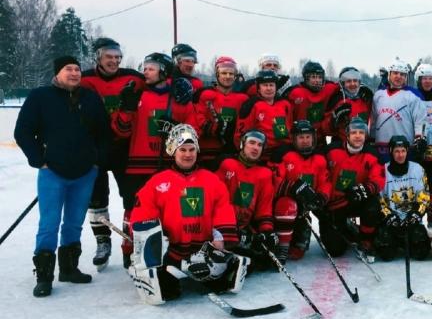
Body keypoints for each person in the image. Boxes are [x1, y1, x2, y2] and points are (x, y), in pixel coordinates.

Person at [15, 56, 110, 297]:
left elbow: (104, 132)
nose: (75, 73)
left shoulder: (90, 97)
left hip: (85, 173)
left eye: (77, 69)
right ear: (57, 73)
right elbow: (23, 131)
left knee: (74, 223)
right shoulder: (40, 97)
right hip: (52, 173)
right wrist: (39, 160)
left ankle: (69, 269)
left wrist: (97, 161)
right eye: (68, 69)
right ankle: (44, 276)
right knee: (49, 224)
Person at [129, 124, 243, 304]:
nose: (188, 154)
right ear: (173, 151)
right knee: (167, 292)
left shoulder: (212, 180)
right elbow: (142, 215)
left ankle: (203, 272)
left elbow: (223, 209)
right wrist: (156, 242)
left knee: (224, 280)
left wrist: (220, 239)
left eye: (192, 149)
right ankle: (168, 272)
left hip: (202, 252)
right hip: (171, 254)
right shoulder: (157, 182)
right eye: (182, 149)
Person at [111, 53, 197, 267]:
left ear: (164, 71)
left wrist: (175, 128)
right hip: (138, 166)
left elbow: (193, 131)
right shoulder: (137, 94)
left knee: (171, 210)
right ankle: (129, 249)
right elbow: (121, 131)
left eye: (150, 67)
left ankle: (174, 252)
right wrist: (126, 108)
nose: (145, 71)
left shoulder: (179, 97)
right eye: (144, 67)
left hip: (168, 166)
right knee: (134, 209)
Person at [80, 37, 145, 268]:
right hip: (95, 149)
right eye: (109, 57)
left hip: (123, 148)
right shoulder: (84, 78)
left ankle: (130, 244)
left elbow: (159, 81)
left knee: (132, 197)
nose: (114, 61)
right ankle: (102, 242)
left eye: (118, 57)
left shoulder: (133, 78)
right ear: (98, 57)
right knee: (96, 198)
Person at [321, 118, 386, 256]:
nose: (358, 136)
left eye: (361, 132)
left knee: (373, 204)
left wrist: (365, 189)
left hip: (357, 200)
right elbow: (321, 176)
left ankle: (366, 239)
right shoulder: (331, 151)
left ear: (366, 135)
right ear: (347, 135)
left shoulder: (372, 154)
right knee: (335, 250)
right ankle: (347, 229)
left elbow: (378, 180)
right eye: (354, 132)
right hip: (335, 204)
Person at [216, 129, 278, 270]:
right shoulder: (226, 165)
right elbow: (213, 201)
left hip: (244, 229)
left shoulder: (265, 174)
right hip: (222, 227)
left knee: (264, 260)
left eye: (259, 145)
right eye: (251, 143)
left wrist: (266, 232)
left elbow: (264, 209)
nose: (255, 147)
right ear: (242, 144)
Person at [271, 120, 331, 261]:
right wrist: (292, 187)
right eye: (301, 137)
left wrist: (321, 197)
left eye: (308, 137)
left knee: (298, 253)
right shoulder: (283, 154)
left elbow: (325, 182)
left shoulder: (320, 158)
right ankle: (282, 247)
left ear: (313, 139)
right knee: (287, 204)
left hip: (303, 210)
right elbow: (274, 183)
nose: (305, 141)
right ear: (294, 139)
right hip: (282, 207)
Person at [375, 135, 431, 261]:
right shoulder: (382, 170)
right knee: (386, 254)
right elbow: (379, 199)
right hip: (392, 222)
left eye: (403, 151)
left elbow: (424, 196)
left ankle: (409, 242)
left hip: (411, 221)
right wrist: (388, 216)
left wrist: (416, 214)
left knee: (421, 253)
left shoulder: (417, 169)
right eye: (396, 151)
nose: (400, 155)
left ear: (407, 151)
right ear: (391, 152)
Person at [195, 56, 249, 170]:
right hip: (207, 154)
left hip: (232, 153)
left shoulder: (242, 99)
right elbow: (199, 120)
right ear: (217, 74)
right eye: (224, 73)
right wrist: (213, 128)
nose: (227, 76)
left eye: (231, 73)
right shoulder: (206, 95)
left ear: (235, 76)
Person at [371, 59, 426, 163]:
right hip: (381, 148)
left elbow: (420, 120)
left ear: (406, 77)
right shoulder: (378, 95)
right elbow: (373, 119)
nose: (398, 76)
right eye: (395, 73)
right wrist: (371, 137)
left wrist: (420, 139)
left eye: (402, 74)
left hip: (403, 149)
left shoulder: (414, 95)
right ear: (389, 75)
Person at [237, 70, 293, 162]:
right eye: (265, 85)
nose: (269, 88)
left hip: (282, 154)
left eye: (271, 85)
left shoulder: (285, 104)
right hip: (259, 156)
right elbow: (240, 135)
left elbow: (289, 129)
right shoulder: (251, 105)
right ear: (258, 88)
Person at [284, 60, 339, 139]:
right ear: (306, 78)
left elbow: (346, 86)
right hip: (299, 137)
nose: (317, 80)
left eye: (319, 77)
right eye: (313, 77)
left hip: (320, 137)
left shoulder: (329, 88)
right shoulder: (295, 93)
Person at [323, 66, 373, 143]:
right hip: (342, 143)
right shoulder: (337, 99)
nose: (352, 84)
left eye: (355, 81)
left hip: (362, 143)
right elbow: (325, 130)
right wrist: (333, 120)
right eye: (349, 81)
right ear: (343, 84)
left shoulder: (366, 98)